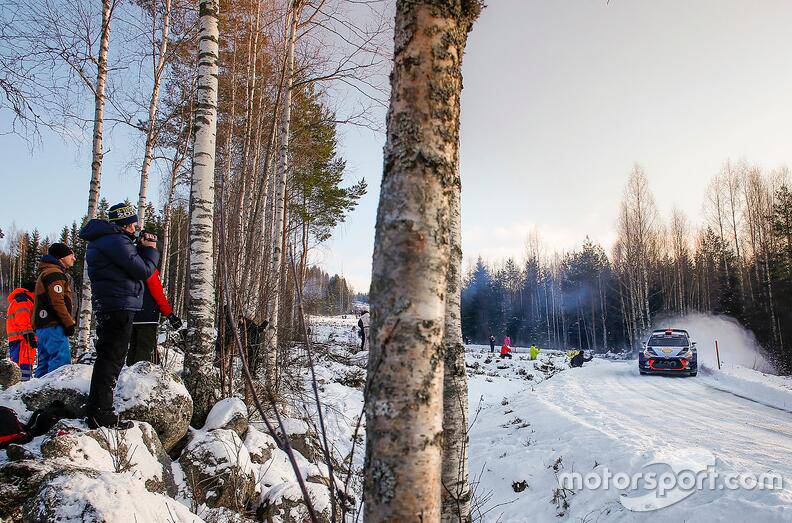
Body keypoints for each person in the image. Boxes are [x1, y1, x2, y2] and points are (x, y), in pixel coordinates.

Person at [80, 203, 159, 429]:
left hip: (112, 304)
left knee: (109, 358)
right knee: (112, 359)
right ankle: (101, 413)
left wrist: (138, 248)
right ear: (125, 223)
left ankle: (97, 410)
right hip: (118, 305)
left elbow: (129, 265)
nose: (136, 227)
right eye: (133, 223)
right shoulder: (115, 241)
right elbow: (143, 270)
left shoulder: (108, 240)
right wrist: (151, 249)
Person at [33, 243, 76, 377]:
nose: (74, 258)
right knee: (60, 363)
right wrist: (68, 322)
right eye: (71, 255)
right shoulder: (54, 273)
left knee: (44, 363)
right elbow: (56, 301)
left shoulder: (46, 272)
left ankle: (35, 394)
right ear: (61, 257)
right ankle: (52, 395)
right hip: (53, 325)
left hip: (43, 325)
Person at [127, 262, 181, 366]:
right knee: (145, 353)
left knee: (133, 349)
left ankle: (130, 377)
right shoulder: (148, 268)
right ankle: (142, 378)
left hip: (131, 314)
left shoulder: (127, 266)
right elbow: (157, 293)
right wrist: (170, 314)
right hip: (147, 316)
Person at [6, 281, 36, 381]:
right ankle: (20, 391)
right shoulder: (23, 301)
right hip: (22, 340)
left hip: (20, 339)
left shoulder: (21, 300)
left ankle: (20, 389)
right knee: (22, 367)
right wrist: (30, 336)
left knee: (22, 366)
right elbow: (22, 320)